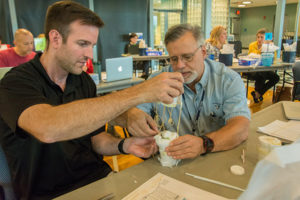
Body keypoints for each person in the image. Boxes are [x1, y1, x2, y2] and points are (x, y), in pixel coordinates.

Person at [0, 1, 184, 199]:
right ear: (55, 38)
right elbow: (47, 128)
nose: (89, 54)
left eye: (92, 45)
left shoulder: (83, 81)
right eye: (82, 44)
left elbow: (95, 140)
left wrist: (125, 145)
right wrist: (139, 93)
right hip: (51, 194)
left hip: (98, 181)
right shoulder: (16, 82)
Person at [135, 24, 250, 159]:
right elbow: (136, 112)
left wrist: (203, 144)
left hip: (214, 155)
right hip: (172, 159)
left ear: (203, 52)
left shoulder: (228, 80)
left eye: (187, 57)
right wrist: (133, 115)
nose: (180, 66)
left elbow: (241, 128)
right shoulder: (157, 81)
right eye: (174, 59)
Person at [248, 28, 279, 103]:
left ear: (265, 38)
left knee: (276, 78)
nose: (259, 39)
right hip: (252, 69)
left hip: (263, 70)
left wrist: (270, 48)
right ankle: (258, 94)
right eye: (258, 37)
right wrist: (261, 49)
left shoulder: (268, 46)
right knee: (262, 74)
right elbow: (251, 56)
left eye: (262, 37)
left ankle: (258, 93)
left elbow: (273, 58)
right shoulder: (252, 45)